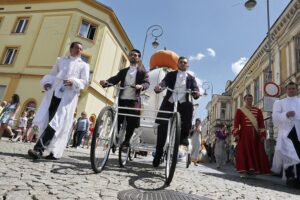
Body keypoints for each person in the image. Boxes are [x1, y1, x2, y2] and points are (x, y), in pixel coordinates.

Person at [28, 41, 90, 160]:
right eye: (77, 48)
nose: (79, 51)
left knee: (57, 122)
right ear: (71, 49)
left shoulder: (84, 65)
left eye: (81, 49)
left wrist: (74, 82)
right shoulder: (60, 61)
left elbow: (85, 81)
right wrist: (46, 83)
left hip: (68, 97)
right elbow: (52, 74)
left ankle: (39, 150)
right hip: (55, 94)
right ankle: (51, 152)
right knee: (49, 120)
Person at [153, 56, 200, 167]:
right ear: (177, 64)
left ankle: (183, 137)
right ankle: (158, 155)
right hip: (170, 102)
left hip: (182, 103)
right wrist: (159, 86)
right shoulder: (171, 74)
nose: (183, 64)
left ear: (187, 65)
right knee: (162, 128)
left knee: (189, 107)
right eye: (181, 62)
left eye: (185, 62)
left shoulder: (191, 78)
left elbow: (195, 88)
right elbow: (164, 83)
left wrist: (196, 92)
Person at [99, 49, 149, 147]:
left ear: (139, 58)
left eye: (135, 55)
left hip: (134, 100)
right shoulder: (123, 71)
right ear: (129, 57)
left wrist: (141, 86)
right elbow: (115, 79)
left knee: (132, 120)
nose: (133, 56)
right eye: (131, 55)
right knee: (117, 118)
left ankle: (127, 140)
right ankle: (115, 137)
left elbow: (146, 82)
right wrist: (107, 82)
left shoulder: (142, 72)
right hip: (122, 99)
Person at [233, 94, 270, 177]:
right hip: (244, 135)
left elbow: (261, 124)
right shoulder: (240, 110)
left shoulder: (258, 110)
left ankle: (253, 170)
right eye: (248, 99)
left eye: (251, 99)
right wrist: (236, 134)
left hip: (255, 135)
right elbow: (236, 124)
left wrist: (263, 135)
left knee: (255, 152)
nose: (249, 101)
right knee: (244, 152)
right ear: (244, 100)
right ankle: (243, 171)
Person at [271, 81, 300, 188]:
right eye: (289, 88)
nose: (291, 90)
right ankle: (290, 177)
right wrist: (285, 114)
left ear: (297, 90)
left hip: (298, 132)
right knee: (288, 155)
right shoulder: (279, 103)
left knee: (298, 155)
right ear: (286, 90)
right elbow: (275, 118)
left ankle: (298, 179)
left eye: (293, 88)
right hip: (286, 133)